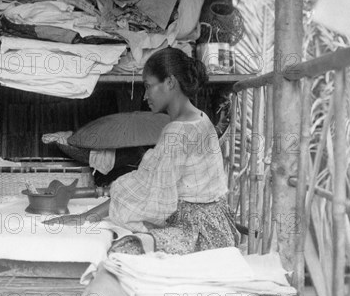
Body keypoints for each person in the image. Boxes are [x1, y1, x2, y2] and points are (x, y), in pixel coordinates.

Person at [44, 47, 238, 255]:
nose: (145, 96)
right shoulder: (200, 118)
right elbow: (150, 182)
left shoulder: (178, 131)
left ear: (170, 83)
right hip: (217, 224)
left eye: (148, 86)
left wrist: (87, 217)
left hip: (199, 233)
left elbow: (150, 192)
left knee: (120, 249)